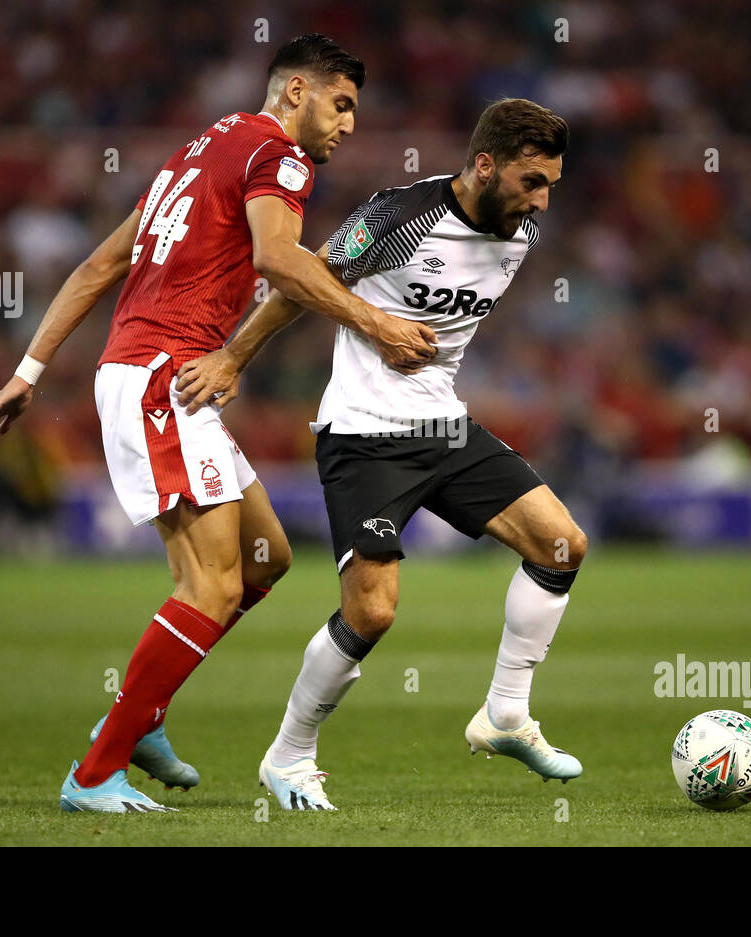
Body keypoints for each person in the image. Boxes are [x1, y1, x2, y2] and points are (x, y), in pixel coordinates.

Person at [0, 34, 437, 813]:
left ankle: (141, 715)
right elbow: (280, 261)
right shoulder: (280, 157)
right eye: (341, 103)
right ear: (293, 94)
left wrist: (29, 372)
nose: (349, 124)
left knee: (265, 558)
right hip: (164, 378)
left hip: (153, 376)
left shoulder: (197, 152)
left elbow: (98, 267)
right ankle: (94, 772)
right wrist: (377, 324)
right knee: (211, 583)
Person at [176, 98, 586, 810]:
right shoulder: (398, 216)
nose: (542, 200)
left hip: (444, 426)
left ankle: (505, 714)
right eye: (531, 181)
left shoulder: (521, 230)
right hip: (364, 433)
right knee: (372, 612)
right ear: (484, 164)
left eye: (551, 183)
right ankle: (289, 753)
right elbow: (302, 280)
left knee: (560, 544)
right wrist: (233, 357)